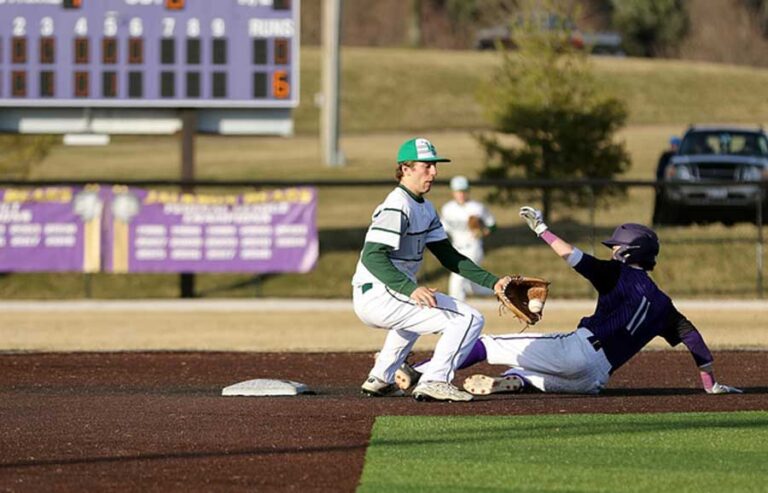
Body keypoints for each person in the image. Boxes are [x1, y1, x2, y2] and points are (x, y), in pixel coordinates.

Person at [397, 207, 742, 396]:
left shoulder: (617, 274)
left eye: (618, 247)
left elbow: (574, 257)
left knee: (486, 345)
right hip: (594, 380)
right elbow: (694, 340)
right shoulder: (665, 305)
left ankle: (419, 373)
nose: (614, 250)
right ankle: (514, 382)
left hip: (578, 350)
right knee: (527, 372)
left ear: (630, 251)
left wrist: (542, 230)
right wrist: (710, 384)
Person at [351, 137, 511, 402]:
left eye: (435, 166)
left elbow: (448, 256)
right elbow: (372, 257)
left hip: (386, 293)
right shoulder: (397, 205)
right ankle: (435, 380)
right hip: (380, 292)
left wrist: (492, 282)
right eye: (426, 166)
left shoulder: (425, 208)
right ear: (406, 168)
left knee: (418, 315)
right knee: (470, 319)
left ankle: (381, 377)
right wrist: (411, 288)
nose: (434, 172)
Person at [440, 175, 497, 301]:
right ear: (453, 192)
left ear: (468, 191)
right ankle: (503, 291)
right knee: (474, 287)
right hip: (456, 248)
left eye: (464, 191)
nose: (461, 194)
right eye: (458, 191)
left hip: (473, 247)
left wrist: (484, 231)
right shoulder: (447, 209)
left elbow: (492, 225)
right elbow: (443, 230)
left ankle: (457, 313)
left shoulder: (477, 208)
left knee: (457, 279)